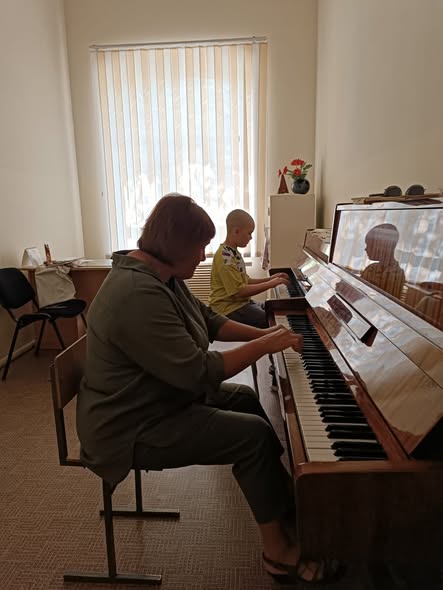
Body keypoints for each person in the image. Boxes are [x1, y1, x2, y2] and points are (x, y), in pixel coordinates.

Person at [76, 194, 341, 584]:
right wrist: (266, 345)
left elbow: (210, 319)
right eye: (199, 247)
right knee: (251, 437)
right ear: (176, 245)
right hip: (127, 425)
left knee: (246, 400)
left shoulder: (159, 274)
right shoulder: (136, 292)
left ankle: (285, 506)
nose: (203, 256)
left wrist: (266, 334)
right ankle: (277, 552)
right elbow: (199, 373)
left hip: (155, 398)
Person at [209, 209, 289, 329]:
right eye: (249, 233)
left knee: (274, 308)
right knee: (272, 321)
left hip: (241, 304)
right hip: (228, 309)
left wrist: (271, 279)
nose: (251, 238)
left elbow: (246, 280)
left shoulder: (233, 252)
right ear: (236, 231)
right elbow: (239, 292)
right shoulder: (225, 257)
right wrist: (271, 284)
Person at [361, 223, 406, 299]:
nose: (365, 249)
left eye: (369, 245)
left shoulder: (396, 274)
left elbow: (387, 302)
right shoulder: (371, 268)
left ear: (382, 247)